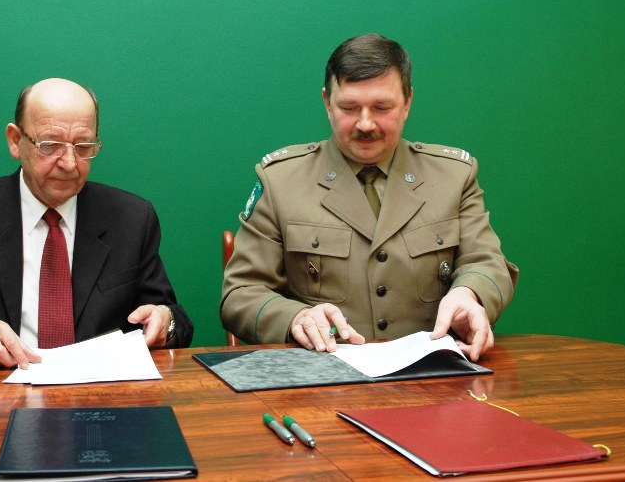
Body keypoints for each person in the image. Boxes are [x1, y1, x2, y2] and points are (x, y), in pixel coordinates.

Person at [221, 34, 518, 362]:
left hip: (434, 376)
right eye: (349, 108)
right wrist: (295, 319)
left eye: (382, 107)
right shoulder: (281, 181)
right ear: (327, 103)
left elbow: (486, 262)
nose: (365, 124)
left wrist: (469, 293)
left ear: (407, 102)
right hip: (322, 376)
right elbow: (240, 295)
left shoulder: (453, 176)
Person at [0, 78, 193, 368]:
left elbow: (174, 319)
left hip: (102, 393)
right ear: (15, 141)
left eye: (83, 146)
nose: (69, 163)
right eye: (50, 145)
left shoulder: (132, 218)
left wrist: (164, 320)